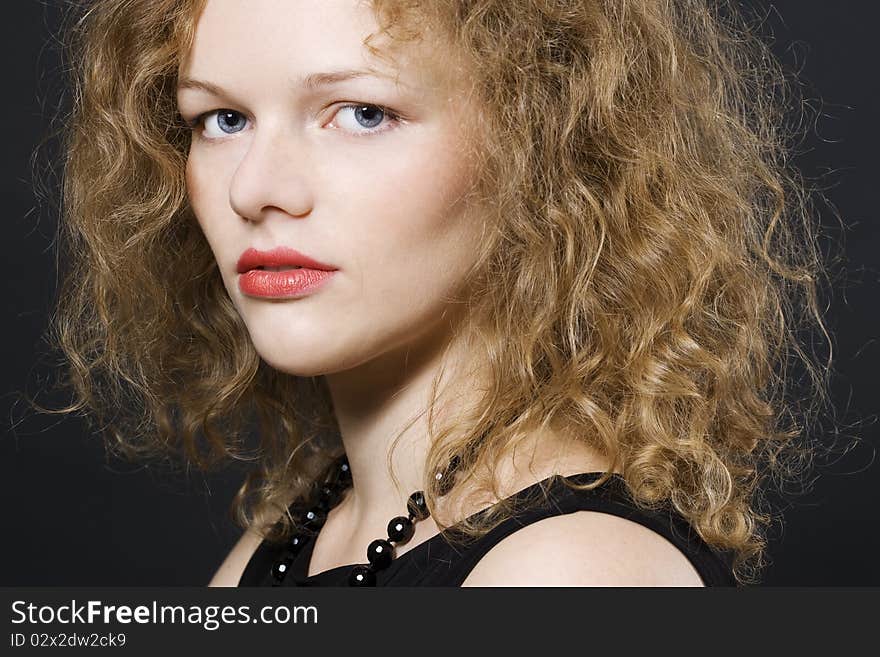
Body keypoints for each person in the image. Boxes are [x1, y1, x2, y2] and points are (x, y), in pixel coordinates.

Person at [48, 0, 832, 587]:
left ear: (540, 145)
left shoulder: (566, 571)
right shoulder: (286, 541)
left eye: (360, 113)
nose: (255, 188)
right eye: (221, 119)